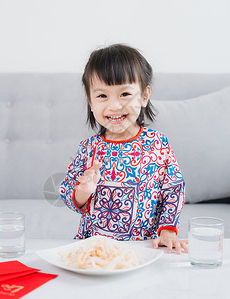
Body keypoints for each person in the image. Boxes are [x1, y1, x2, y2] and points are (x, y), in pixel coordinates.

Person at [60, 44, 187, 254]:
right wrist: (83, 192)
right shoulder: (89, 148)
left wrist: (168, 232)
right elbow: (68, 194)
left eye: (125, 94)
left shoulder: (157, 144)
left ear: (144, 96)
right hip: (95, 248)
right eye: (102, 96)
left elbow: (173, 190)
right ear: (90, 101)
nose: (114, 106)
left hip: (143, 248)